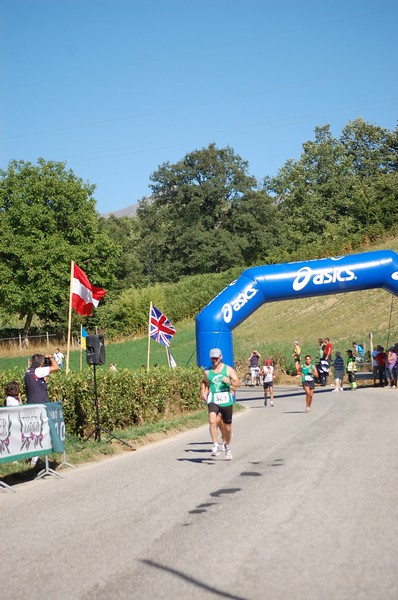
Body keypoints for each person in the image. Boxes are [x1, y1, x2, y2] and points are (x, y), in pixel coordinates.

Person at [201, 348, 240, 460]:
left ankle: (227, 446)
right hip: (213, 399)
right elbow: (204, 381)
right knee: (212, 420)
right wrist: (203, 391)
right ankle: (215, 445)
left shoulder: (228, 369)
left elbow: (238, 383)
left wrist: (230, 382)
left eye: (216, 358)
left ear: (221, 357)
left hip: (226, 400)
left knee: (227, 428)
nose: (214, 360)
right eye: (212, 358)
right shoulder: (207, 371)